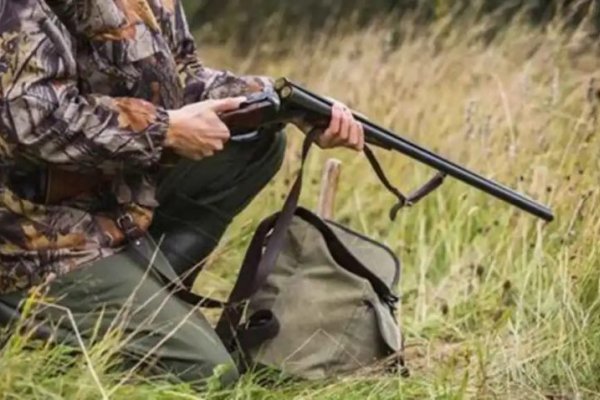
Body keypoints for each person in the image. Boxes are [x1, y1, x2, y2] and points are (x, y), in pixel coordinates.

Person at [0, 0, 364, 387]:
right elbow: (28, 117)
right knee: (209, 375)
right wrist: (164, 130)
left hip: (106, 202)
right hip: (29, 236)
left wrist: (289, 104)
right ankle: (23, 317)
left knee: (254, 140)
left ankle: (144, 298)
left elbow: (185, 77)